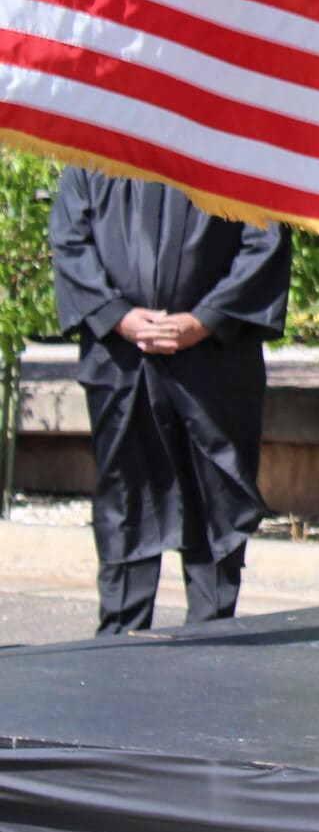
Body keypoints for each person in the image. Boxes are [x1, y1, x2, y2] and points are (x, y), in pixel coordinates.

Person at [48, 169, 292, 636]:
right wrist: (117, 316)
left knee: (216, 491)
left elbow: (263, 242)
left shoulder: (228, 153)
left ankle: (212, 629)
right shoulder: (93, 156)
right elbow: (71, 241)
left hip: (214, 360)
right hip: (122, 359)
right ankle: (121, 633)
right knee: (127, 496)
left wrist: (203, 320)